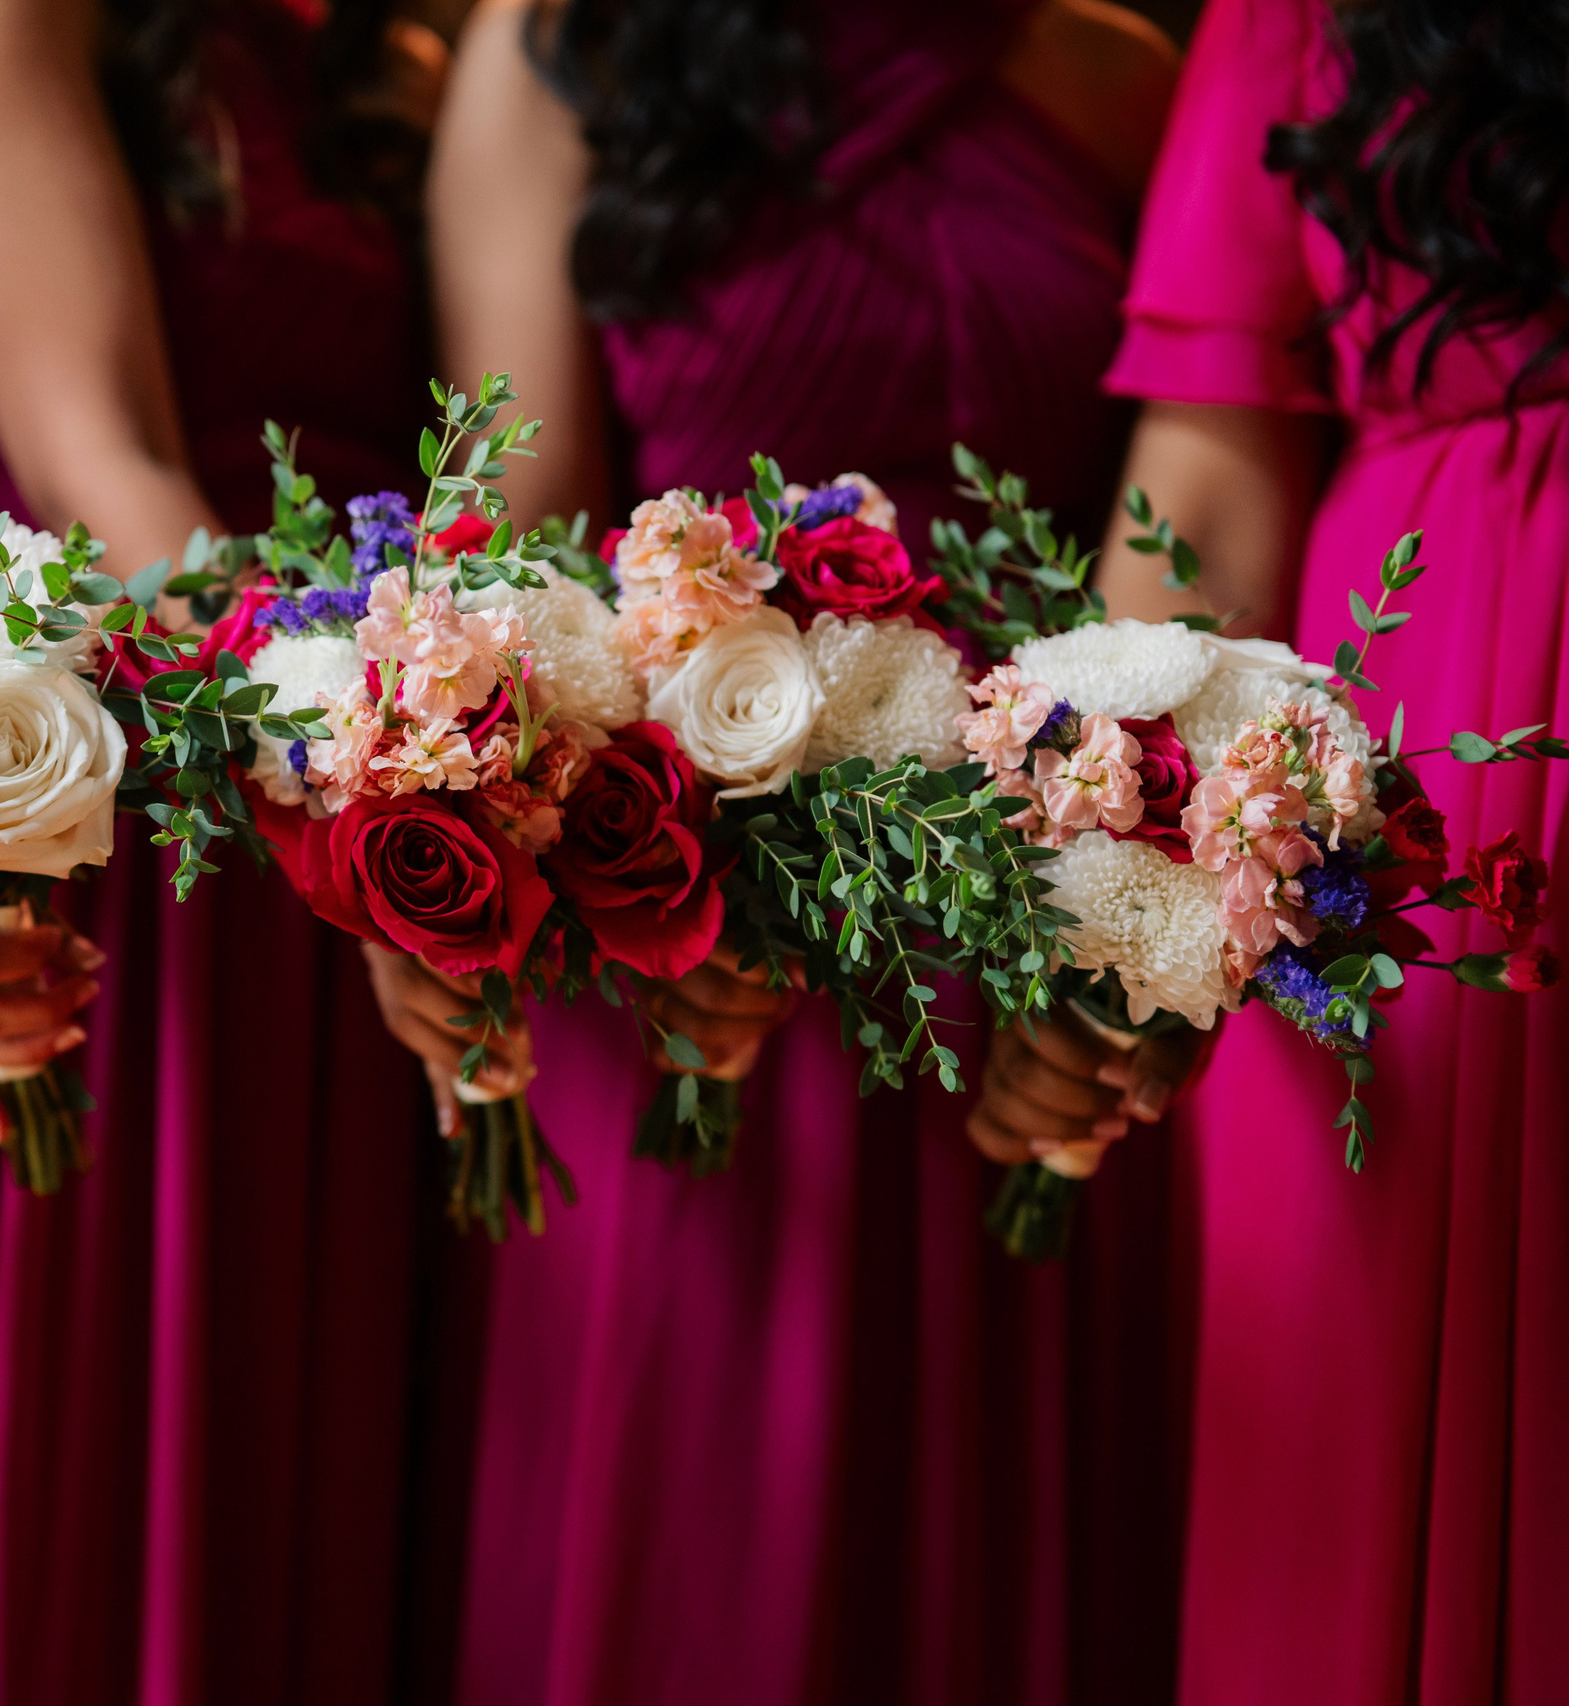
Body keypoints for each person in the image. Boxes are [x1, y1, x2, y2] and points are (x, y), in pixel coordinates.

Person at [422, 1, 1187, 1699]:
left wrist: (1110, 899)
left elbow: (1185, 514)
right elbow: (518, 562)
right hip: (703, 937)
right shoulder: (558, 55)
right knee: (705, 1569)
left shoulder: (1111, 74)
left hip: (1038, 923)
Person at [0, 3, 455, 1701]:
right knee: (63, 1504)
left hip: (312, 828)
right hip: (85, 822)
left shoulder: (345, 51)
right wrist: (342, 784)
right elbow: (96, 459)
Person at [968, 0, 1569, 1697]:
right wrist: (1110, 914)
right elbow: (1207, 500)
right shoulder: (1300, 14)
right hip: (1409, 847)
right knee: (1353, 1454)